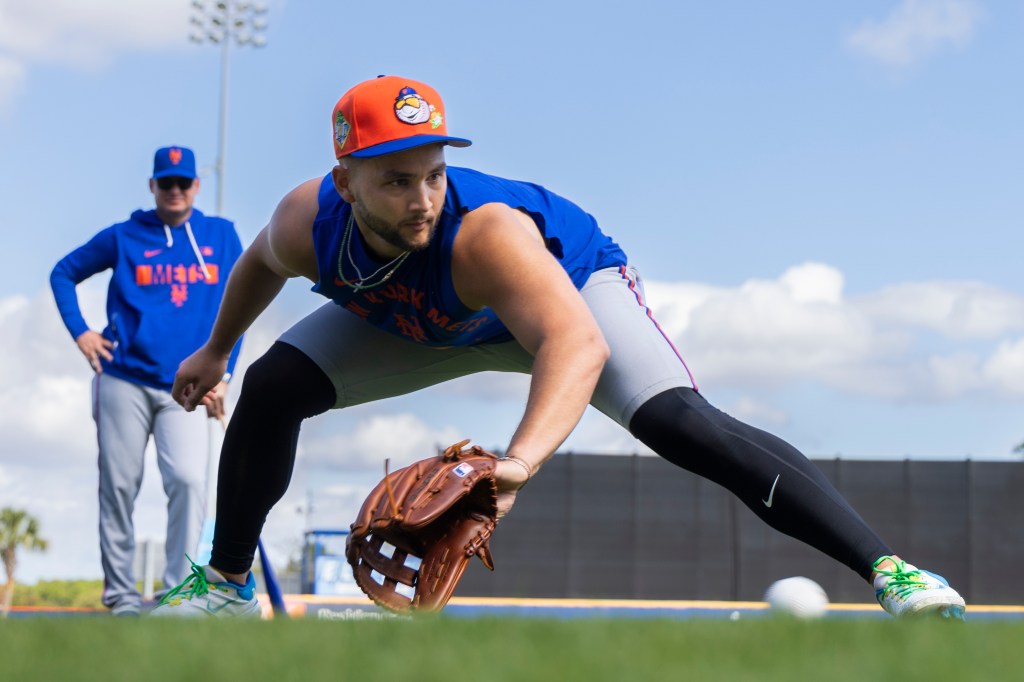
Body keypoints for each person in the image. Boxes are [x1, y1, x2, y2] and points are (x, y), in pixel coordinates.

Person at [153, 76, 966, 619]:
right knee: (273, 383)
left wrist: (517, 464)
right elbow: (259, 265)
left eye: (433, 173)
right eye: (396, 180)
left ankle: (892, 572)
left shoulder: (483, 233)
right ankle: (226, 586)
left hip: (566, 294)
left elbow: (574, 345)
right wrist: (216, 351)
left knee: (681, 422)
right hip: (430, 317)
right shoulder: (308, 221)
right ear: (345, 182)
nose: (422, 197)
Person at [50, 146, 244, 616]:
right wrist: (81, 332)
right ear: (153, 186)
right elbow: (63, 273)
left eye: (183, 182)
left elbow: (242, 301)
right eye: (166, 182)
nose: (175, 190)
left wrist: (224, 372)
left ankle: (177, 593)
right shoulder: (124, 236)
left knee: (189, 482)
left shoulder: (222, 236)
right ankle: (121, 596)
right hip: (124, 378)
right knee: (119, 485)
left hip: (189, 386)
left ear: (196, 186)